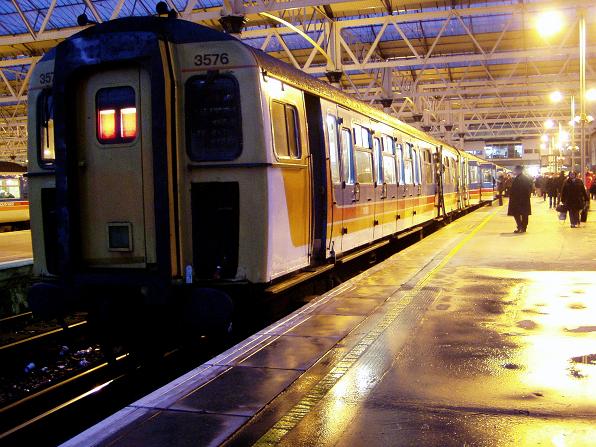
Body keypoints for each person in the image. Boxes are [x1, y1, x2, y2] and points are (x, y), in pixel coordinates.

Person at [508, 165, 533, 233]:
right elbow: (530, 188)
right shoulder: (526, 178)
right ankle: (523, 228)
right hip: (525, 199)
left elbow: (516, 190)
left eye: (515, 170)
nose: (514, 171)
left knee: (516, 213)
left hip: (518, 200)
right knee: (525, 214)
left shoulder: (518, 179)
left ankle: (520, 226)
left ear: (518, 170)